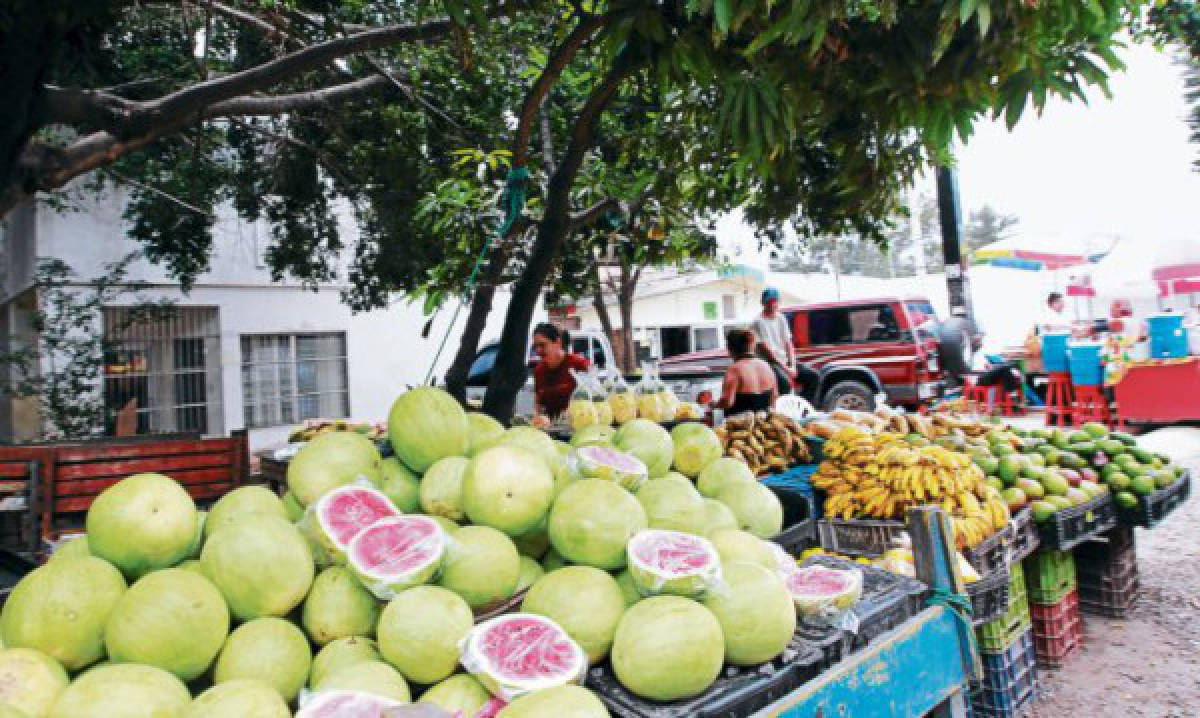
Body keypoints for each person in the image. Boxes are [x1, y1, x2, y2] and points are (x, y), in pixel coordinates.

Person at [531, 323, 589, 420]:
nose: (538, 350)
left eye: (542, 345)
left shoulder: (578, 364)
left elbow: (593, 399)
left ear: (558, 342)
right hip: (549, 429)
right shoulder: (539, 370)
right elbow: (538, 404)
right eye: (535, 346)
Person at [714, 329, 778, 415]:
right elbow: (774, 396)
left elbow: (727, 402)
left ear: (729, 348)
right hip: (763, 425)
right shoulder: (766, 365)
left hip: (739, 426)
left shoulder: (734, 369)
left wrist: (714, 405)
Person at [753, 287, 798, 395]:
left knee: (813, 376)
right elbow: (768, 352)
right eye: (769, 301)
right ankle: (782, 409)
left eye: (775, 301)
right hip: (770, 363)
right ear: (763, 303)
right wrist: (787, 369)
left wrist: (793, 365)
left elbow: (788, 342)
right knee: (785, 383)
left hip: (784, 360)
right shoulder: (758, 322)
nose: (773, 304)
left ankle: (803, 407)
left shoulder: (781, 318)